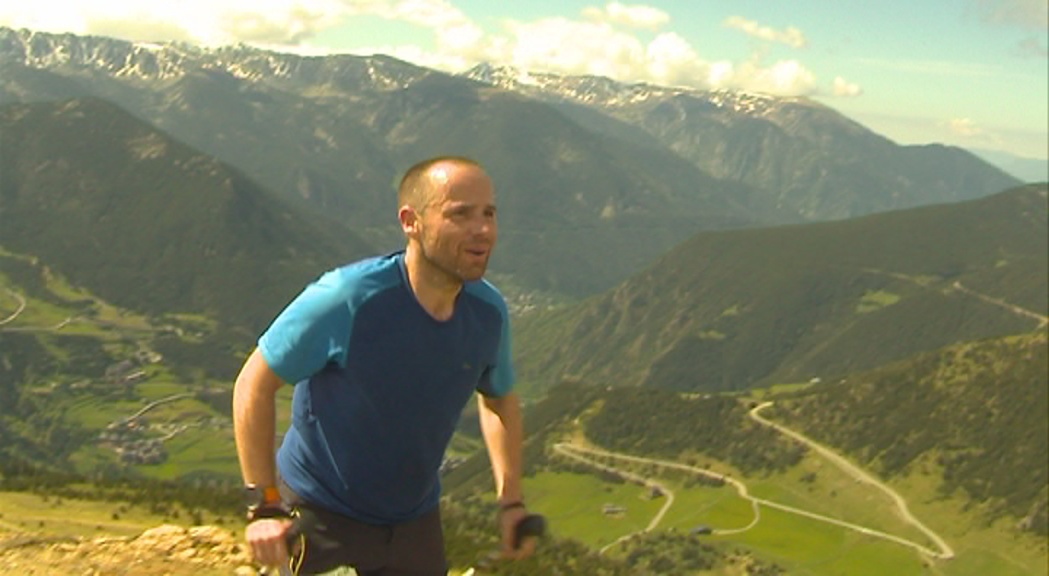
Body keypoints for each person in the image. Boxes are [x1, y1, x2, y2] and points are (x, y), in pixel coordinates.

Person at [232, 156, 535, 575]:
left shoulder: (488, 312)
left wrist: (511, 500)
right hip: (317, 511)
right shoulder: (346, 299)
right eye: (460, 214)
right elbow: (254, 384)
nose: (482, 229)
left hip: (413, 522)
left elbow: (499, 399)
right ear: (412, 222)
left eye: (489, 213)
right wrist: (264, 503)